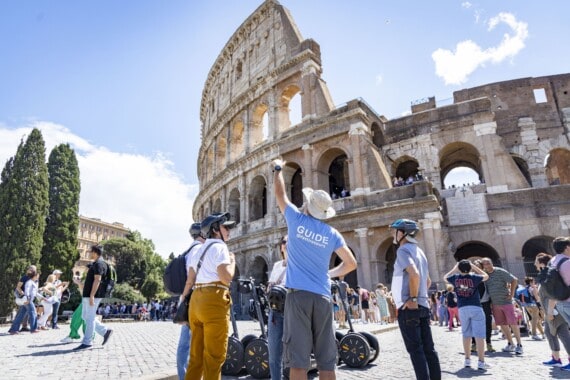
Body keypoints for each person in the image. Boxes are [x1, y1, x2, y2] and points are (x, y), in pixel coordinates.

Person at [272, 158, 357, 380]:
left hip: (298, 297)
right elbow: (351, 263)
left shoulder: (296, 220)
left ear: (308, 206)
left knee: (298, 362)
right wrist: (330, 274)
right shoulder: (332, 234)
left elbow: (280, 195)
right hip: (322, 297)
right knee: (326, 363)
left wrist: (278, 169)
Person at [185, 212, 236, 380]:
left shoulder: (199, 250)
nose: (229, 230)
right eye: (225, 227)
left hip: (196, 300)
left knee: (195, 356)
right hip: (214, 299)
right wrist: (232, 261)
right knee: (214, 357)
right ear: (215, 229)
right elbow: (226, 277)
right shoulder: (220, 247)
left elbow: (191, 279)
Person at [390, 218, 441, 380]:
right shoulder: (420, 251)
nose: (393, 233)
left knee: (416, 351)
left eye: (395, 230)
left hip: (410, 308)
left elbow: (414, 274)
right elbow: (427, 281)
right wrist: (419, 297)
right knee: (429, 349)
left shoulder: (403, 250)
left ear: (403, 233)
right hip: (423, 305)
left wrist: (412, 298)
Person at [444, 260, 490, 370]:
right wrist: (474, 267)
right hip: (475, 306)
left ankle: (467, 360)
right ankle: (481, 362)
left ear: (459, 269)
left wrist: (455, 269)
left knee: (466, 334)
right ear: (470, 268)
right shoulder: (474, 277)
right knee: (479, 335)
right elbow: (486, 276)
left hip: (462, 308)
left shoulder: (455, 278)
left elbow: (445, 277)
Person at [176, 222, 205, 380]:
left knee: (185, 342)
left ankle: (184, 375)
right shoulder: (199, 250)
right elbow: (192, 278)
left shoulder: (188, 250)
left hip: (187, 298)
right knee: (193, 342)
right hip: (196, 298)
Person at [480, 257, 523, 355]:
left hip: (506, 301)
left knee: (513, 323)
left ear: (491, 263)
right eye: (485, 264)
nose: (487, 265)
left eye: (488, 263)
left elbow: (514, 280)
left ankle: (519, 345)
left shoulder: (500, 271)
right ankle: (510, 343)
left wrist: (512, 294)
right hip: (495, 303)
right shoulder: (485, 275)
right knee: (503, 324)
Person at [74, 245, 113, 350]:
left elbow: (97, 280)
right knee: (85, 316)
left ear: (95, 252)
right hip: (89, 295)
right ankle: (105, 331)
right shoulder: (96, 264)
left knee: (90, 318)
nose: (89, 253)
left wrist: (92, 295)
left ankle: (87, 342)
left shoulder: (100, 264)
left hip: (93, 295)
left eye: (90, 251)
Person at [535, 252, 570, 370]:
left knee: (563, 334)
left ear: (541, 263)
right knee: (550, 333)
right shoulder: (545, 275)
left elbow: (552, 296)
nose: (535, 263)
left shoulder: (548, 276)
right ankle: (556, 358)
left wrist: (549, 312)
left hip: (554, 312)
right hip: (550, 311)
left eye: (536, 261)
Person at [267, 235, 288, 380]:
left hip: (293, 312)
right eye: (285, 242)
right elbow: (270, 286)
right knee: (274, 353)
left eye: (291, 242)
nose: (287, 244)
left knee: (295, 354)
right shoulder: (276, 265)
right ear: (281, 247)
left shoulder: (300, 264)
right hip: (275, 313)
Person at [547, 237, 570, 327]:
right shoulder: (568, 262)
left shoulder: (551, 262)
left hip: (560, 304)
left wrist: (550, 310)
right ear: (567, 247)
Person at [61, 274, 87, 343]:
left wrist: (79, 282)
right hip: (86, 300)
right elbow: (83, 293)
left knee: (77, 317)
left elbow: (85, 291)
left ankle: (72, 335)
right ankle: (88, 336)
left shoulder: (91, 274)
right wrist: (79, 283)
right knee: (85, 320)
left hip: (87, 301)